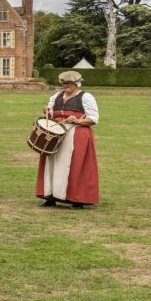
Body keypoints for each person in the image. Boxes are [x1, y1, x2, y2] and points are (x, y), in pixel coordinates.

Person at [36, 70, 99, 209]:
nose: (66, 86)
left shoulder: (86, 97)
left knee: (74, 165)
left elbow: (94, 119)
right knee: (51, 163)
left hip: (77, 134)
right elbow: (50, 115)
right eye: (64, 84)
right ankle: (50, 196)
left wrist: (77, 120)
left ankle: (77, 199)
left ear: (77, 84)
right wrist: (46, 112)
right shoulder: (56, 96)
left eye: (69, 84)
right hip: (56, 134)